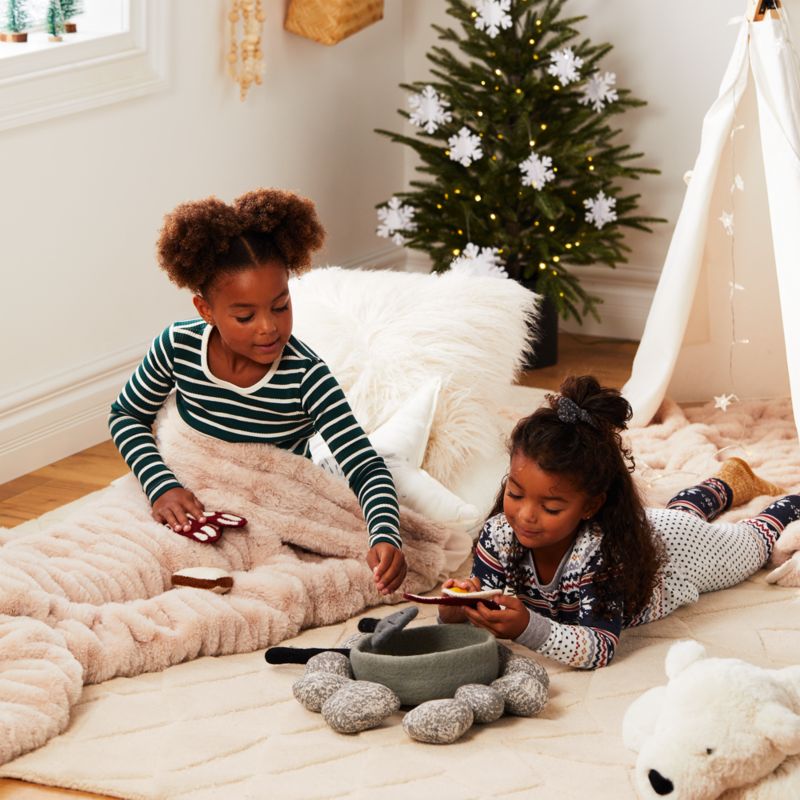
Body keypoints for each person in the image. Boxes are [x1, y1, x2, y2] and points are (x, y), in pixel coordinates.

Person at [109, 188, 406, 595]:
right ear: (205, 310)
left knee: (272, 590)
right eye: (245, 316)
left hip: (266, 510)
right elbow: (126, 415)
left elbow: (366, 466)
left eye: (280, 307)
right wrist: (162, 485)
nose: (268, 328)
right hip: (191, 492)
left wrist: (385, 534)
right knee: (120, 559)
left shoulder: (306, 377)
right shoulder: (177, 346)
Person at [438, 375, 799, 669]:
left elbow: (600, 646)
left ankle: (791, 503)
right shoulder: (500, 533)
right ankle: (729, 480)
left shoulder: (599, 554)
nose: (526, 515)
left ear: (591, 506)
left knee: (754, 540)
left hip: (680, 554)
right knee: (679, 513)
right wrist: (455, 609)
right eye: (515, 494)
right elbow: (485, 600)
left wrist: (527, 628)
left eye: (550, 507)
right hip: (652, 531)